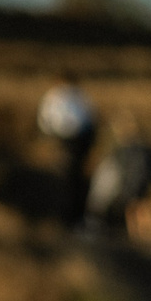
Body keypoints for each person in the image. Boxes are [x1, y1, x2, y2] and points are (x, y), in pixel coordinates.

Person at [85, 110, 151, 238]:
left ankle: (140, 235)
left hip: (133, 184)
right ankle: (140, 235)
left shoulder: (131, 150)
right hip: (139, 183)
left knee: (136, 209)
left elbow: (134, 170)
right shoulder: (143, 148)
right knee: (138, 208)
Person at [37, 75, 99, 227]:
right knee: (65, 179)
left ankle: (67, 217)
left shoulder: (63, 96)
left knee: (68, 178)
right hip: (67, 142)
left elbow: (45, 121)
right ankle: (64, 217)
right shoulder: (72, 97)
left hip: (70, 143)